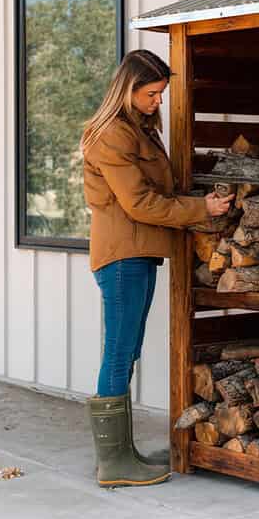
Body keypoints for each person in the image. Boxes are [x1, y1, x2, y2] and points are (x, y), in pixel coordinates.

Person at [81, 49, 232, 487]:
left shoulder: (138, 131)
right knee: (118, 352)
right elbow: (139, 203)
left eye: (161, 94)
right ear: (129, 90)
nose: (157, 102)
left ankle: (122, 454)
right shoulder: (111, 135)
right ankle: (113, 463)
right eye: (152, 93)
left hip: (138, 253)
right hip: (122, 258)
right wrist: (200, 208)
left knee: (127, 351)